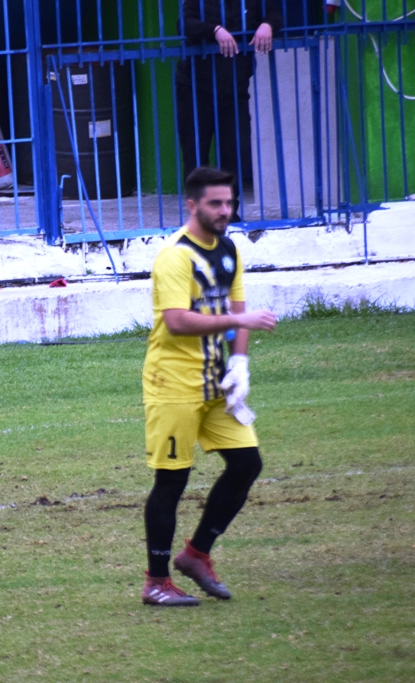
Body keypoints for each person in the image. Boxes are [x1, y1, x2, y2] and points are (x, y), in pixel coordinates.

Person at [140, 166, 277, 606]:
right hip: (174, 385)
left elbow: (239, 309)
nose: (225, 211)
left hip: (217, 384)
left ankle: (197, 554)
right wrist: (239, 320)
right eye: (215, 203)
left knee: (246, 464)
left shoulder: (230, 249)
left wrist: (240, 363)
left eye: (229, 203)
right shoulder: (175, 256)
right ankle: (156, 582)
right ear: (192, 205)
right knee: (171, 482)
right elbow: (177, 321)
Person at [175, 0, 282, 192]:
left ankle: (229, 207)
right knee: (196, 155)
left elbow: (275, 14)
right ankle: (200, 208)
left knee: (236, 153)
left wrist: (267, 25)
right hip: (195, 86)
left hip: (235, 87)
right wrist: (215, 31)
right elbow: (184, 23)